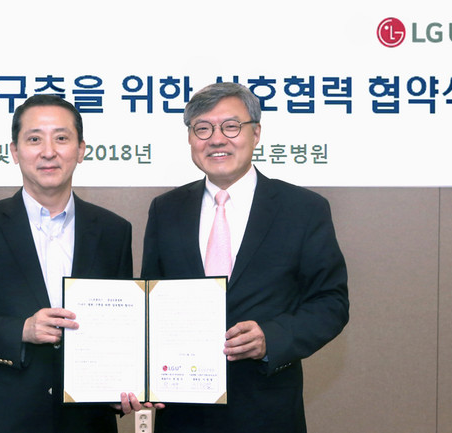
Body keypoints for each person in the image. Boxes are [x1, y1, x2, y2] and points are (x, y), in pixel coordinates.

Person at [141, 82, 349, 433]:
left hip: (267, 410)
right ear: (190, 138)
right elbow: (150, 301)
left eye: (231, 126)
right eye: (203, 128)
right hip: (182, 413)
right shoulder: (166, 210)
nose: (216, 139)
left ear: (256, 133)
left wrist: (272, 337)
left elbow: (331, 303)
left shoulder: (303, 209)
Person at [0, 94, 141, 433]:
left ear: (81, 149)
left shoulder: (113, 230)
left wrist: (123, 387)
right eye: (34, 139)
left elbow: (121, 327)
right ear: (15, 151)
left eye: (61, 138)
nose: (48, 151)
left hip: (87, 423)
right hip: (4, 421)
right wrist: (23, 330)